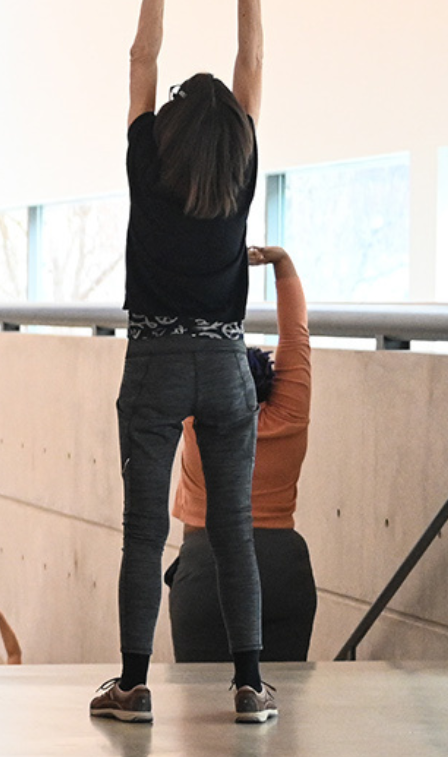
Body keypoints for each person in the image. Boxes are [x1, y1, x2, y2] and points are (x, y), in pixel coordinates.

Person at [91, 0, 273, 726]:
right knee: (231, 529)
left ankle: (132, 686)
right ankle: (249, 686)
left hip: (156, 358)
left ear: (167, 126)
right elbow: (253, 60)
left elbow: (141, 57)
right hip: (229, 363)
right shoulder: (240, 164)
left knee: (143, 531)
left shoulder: (146, 162)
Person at [169, 245, 316, 662]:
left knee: (203, 707)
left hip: (208, 566)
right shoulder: (291, 415)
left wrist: (207, 266)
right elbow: (296, 334)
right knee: (280, 703)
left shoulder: (204, 423)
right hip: (283, 568)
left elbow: (194, 333)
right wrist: (282, 262)